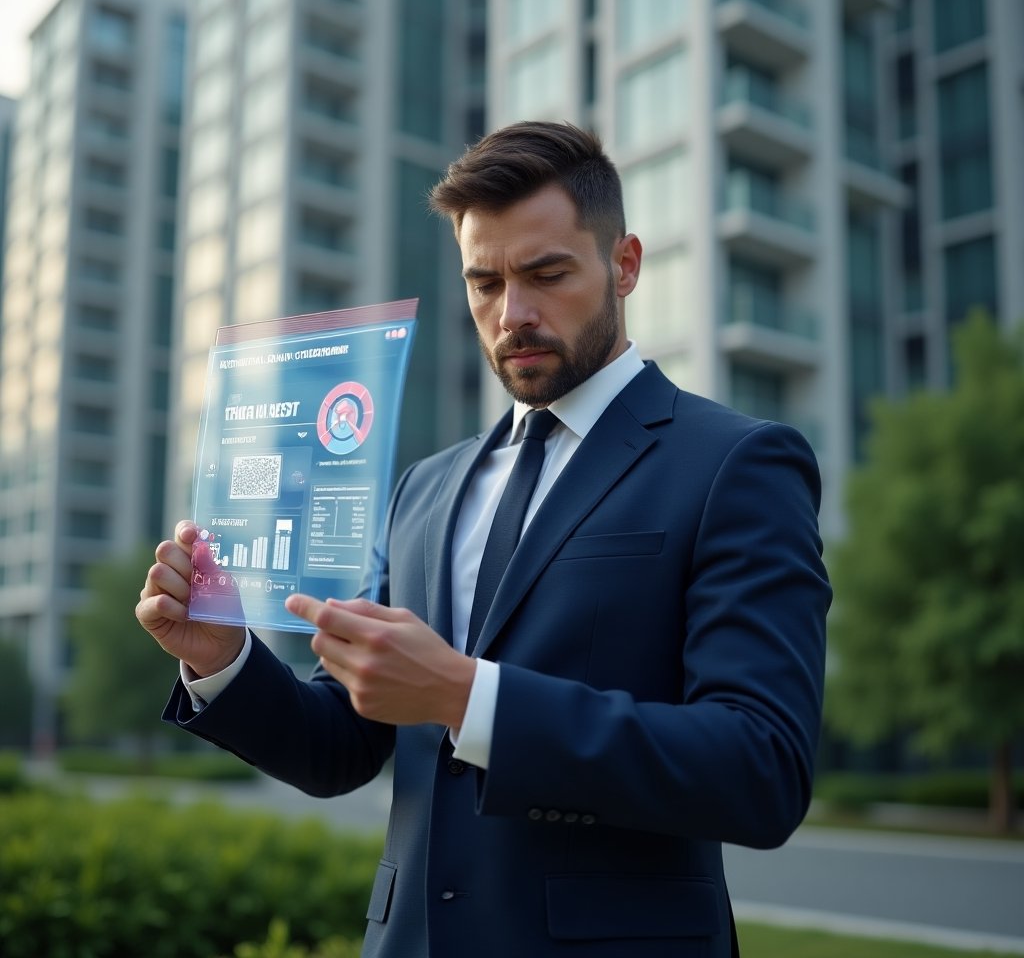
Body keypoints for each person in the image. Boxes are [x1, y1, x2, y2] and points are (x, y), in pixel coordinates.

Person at [137, 121, 830, 958]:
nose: (515, 315)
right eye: (484, 284)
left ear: (625, 264)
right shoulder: (424, 488)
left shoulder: (735, 463)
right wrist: (223, 659)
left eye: (546, 274)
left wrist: (469, 697)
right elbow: (343, 747)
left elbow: (761, 768)